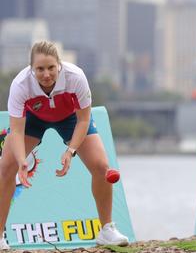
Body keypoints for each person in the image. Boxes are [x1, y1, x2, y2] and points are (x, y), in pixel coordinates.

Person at [0, 41, 128, 249]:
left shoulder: (75, 77)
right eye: (40, 69)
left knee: (101, 167)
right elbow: (16, 130)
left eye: (51, 67)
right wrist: (22, 160)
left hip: (71, 119)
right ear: (31, 69)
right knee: (6, 168)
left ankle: (106, 230)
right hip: (33, 118)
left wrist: (70, 151)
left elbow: (84, 120)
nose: (46, 74)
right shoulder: (20, 85)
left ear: (59, 64)